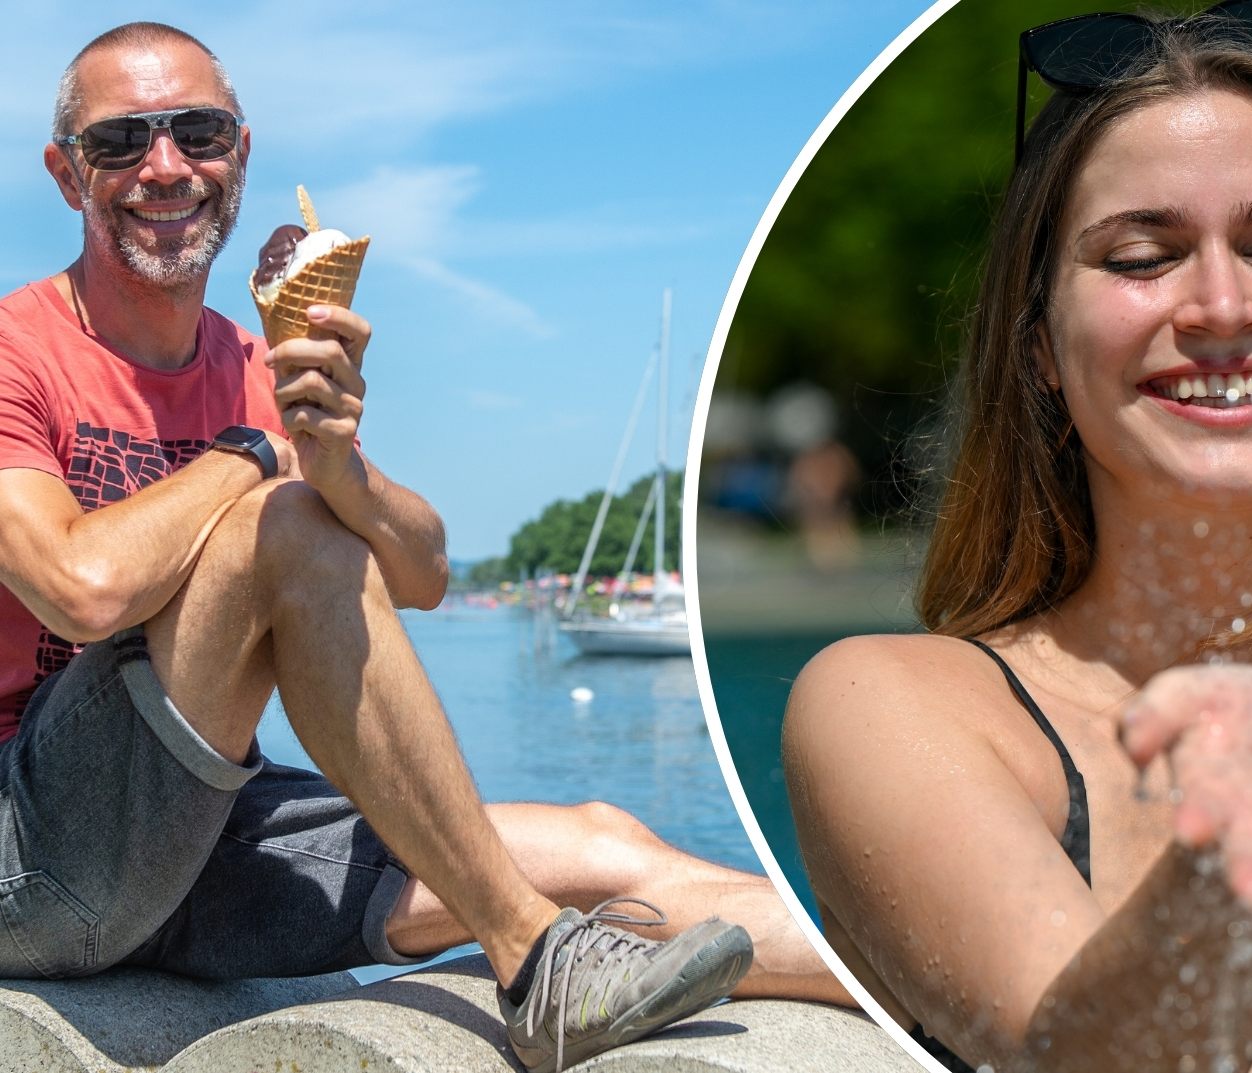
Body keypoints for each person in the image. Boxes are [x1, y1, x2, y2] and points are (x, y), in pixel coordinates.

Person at [0, 21, 846, 1073]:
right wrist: (262, 450)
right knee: (284, 524)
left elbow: (424, 576)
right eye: (120, 142)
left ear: (241, 153)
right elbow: (78, 586)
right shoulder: (19, 349)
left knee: (602, 844)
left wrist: (338, 461)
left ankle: (937, 972)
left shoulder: (260, 359)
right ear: (65, 173)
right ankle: (537, 960)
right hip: (27, 856)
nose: (164, 166)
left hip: (198, 842)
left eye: (197, 132)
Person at [784, 2, 1252, 1070]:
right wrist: (1233, 858)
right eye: (1139, 257)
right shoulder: (884, 704)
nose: (1222, 304)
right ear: (1037, 345)